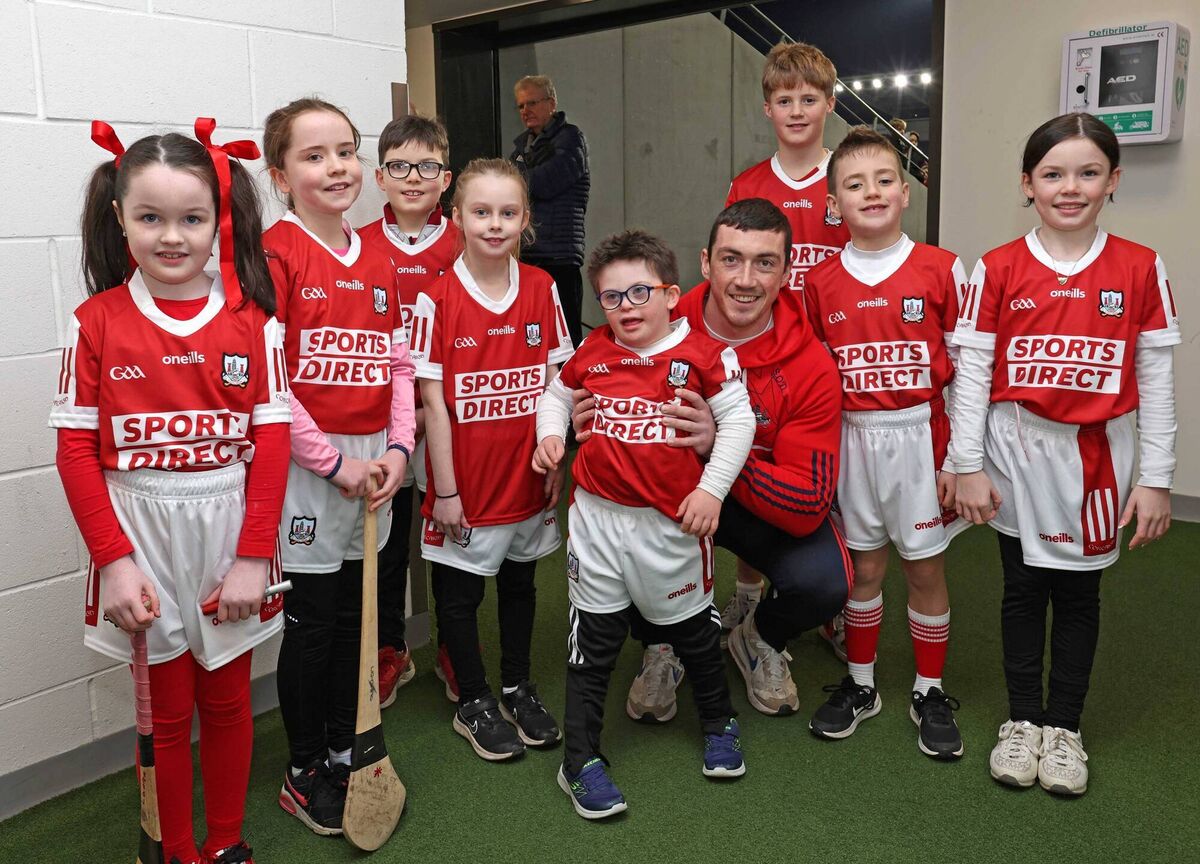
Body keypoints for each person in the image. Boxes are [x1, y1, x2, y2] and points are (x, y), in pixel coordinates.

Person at [52, 120, 291, 864]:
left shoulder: (254, 319)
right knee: (166, 707)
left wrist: (255, 556)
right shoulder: (95, 322)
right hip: (137, 531)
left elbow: (274, 446)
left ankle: (225, 844)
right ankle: (176, 850)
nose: (171, 236)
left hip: (228, 527)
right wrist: (114, 561)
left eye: (191, 218)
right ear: (118, 215)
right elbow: (73, 450)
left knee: (226, 697)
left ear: (218, 220)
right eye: (150, 217)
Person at [951, 113, 1180, 796]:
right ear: (1028, 184)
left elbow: (1158, 380)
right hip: (1013, 449)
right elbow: (971, 375)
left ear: (1113, 180)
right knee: (1020, 589)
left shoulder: (1140, 266)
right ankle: (1023, 722)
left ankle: (1066, 729)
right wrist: (968, 464)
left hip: (1096, 459)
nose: (1069, 187)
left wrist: (1158, 478)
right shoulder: (997, 266)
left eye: (1087, 173)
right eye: (1053, 173)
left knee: (1079, 594)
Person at [576, 199, 852, 718]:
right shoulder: (654, 318)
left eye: (765, 262)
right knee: (613, 522)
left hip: (747, 504)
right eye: (731, 259)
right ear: (706, 263)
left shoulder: (810, 362)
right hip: (661, 496)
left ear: (788, 272)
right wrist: (586, 419)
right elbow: (589, 380)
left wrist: (718, 447)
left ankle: (757, 637)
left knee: (825, 580)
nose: (745, 279)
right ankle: (663, 642)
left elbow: (808, 504)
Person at [535, 230, 755, 819]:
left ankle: (719, 723)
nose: (626, 306)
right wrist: (552, 435)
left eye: (640, 292)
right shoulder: (593, 352)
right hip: (599, 527)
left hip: (673, 529)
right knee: (593, 647)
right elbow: (555, 397)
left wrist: (711, 491)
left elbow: (739, 425)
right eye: (611, 297)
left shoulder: (705, 356)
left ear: (672, 294)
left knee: (696, 638)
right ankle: (578, 761)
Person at [262, 97, 416, 835]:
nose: (337, 167)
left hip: (371, 467)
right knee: (314, 626)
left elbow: (397, 366)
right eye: (314, 155)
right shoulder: (276, 252)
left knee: (359, 615)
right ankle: (303, 769)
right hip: (306, 472)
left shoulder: (380, 255)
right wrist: (332, 463)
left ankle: (340, 743)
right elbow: (272, 383)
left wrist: (396, 448)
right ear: (280, 174)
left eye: (346, 152)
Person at [803, 127, 968, 759]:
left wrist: (962, 459)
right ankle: (861, 684)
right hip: (854, 440)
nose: (869, 192)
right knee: (864, 568)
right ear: (833, 203)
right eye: (853, 184)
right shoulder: (819, 283)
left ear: (905, 191)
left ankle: (930, 689)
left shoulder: (941, 267)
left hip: (920, 439)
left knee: (925, 567)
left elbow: (968, 371)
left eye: (882, 180)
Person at [409, 158, 574, 761]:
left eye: (508, 213)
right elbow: (434, 402)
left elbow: (557, 383)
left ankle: (516, 684)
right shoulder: (436, 299)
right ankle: (473, 699)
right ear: (457, 217)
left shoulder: (542, 288)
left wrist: (554, 459)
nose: (495, 224)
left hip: (526, 479)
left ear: (526, 220)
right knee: (459, 597)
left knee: (522, 585)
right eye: (481, 212)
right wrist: (446, 491)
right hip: (466, 486)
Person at [714, 42, 853, 688]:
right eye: (784, 99)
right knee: (752, 472)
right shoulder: (748, 183)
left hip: (828, 366)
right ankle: (748, 600)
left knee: (823, 490)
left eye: (809, 98)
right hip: (758, 363)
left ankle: (822, 606)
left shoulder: (848, 176)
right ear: (767, 107)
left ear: (829, 103)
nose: (796, 110)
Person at [359, 114, 460, 708]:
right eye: (400, 166)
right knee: (389, 538)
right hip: (389, 420)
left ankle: (454, 643)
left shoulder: (467, 239)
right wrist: (403, 414)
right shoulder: (359, 245)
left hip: (447, 416)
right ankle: (390, 648)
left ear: (445, 178)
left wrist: (431, 408)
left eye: (426, 166)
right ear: (380, 177)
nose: (413, 178)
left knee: (448, 529)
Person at [509, 74, 590, 348]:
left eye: (532, 102)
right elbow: (510, 187)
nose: (525, 111)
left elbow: (545, 182)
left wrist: (518, 176)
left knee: (564, 338)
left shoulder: (571, 138)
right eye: (520, 105)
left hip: (560, 257)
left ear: (551, 103)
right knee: (530, 337)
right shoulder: (521, 147)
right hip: (526, 255)